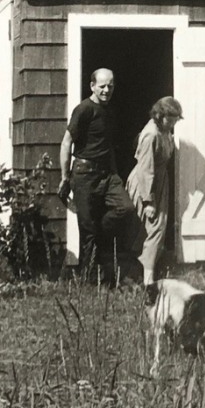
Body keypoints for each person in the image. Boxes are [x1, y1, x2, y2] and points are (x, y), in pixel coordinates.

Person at [58, 68, 137, 283]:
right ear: (92, 85)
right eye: (102, 86)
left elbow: (107, 146)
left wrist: (115, 174)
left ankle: (99, 236)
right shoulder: (83, 109)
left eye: (110, 86)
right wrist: (65, 177)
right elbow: (67, 143)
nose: (106, 90)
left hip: (107, 174)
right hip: (84, 174)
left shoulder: (110, 111)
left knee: (126, 208)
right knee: (87, 229)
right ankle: (87, 279)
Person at [127, 96, 183, 285]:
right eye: (171, 118)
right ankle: (148, 281)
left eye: (177, 119)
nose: (174, 122)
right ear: (160, 115)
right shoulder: (151, 134)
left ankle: (136, 274)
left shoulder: (164, 130)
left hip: (159, 181)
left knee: (152, 230)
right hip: (146, 184)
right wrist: (148, 201)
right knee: (154, 230)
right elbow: (146, 169)